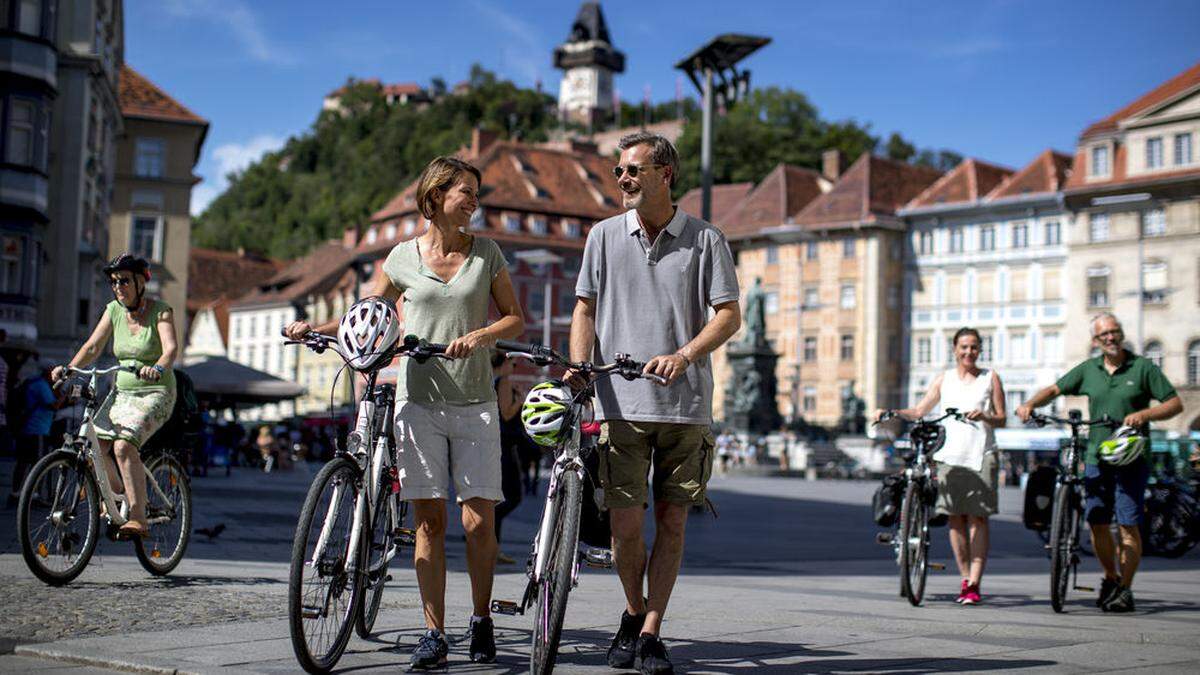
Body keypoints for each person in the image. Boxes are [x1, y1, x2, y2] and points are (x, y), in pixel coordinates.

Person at [285, 156, 523, 668]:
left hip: (475, 401)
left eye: (477, 193)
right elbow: (365, 318)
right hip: (418, 405)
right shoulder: (400, 258)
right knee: (429, 522)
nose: (476, 201)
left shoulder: (487, 254)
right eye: (467, 192)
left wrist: (481, 335)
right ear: (436, 197)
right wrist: (315, 328)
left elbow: (515, 318)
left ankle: (481, 619)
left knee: (479, 521)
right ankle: (434, 633)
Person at [568, 132, 741, 675]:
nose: (623, 179)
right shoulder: (602, 236)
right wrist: (578, 366)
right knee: (624, 528)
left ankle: (649, 633)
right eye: (619, 170)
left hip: (685, 407)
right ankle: (633, 609)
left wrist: (685, 355)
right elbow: (585, 310)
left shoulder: (706, 239)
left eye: (634, 170)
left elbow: (729, 315)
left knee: (672, 522)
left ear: (665, 174)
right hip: (618, 404)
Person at [1017, 312, 1182, 612]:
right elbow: (1055, 389)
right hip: (1096, 458)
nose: (1110, 337)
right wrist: (1030, 404)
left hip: (1131, 458)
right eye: (1103, 334)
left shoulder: (1142, 368)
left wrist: (1144, 415)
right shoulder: (1089, 369)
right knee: (1097, 522)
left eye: (1114, 331)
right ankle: (1110, 577)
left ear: (1121, 334)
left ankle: (1125, 589)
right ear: (1095, 340)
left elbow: (1174, 403)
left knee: (1128, 525)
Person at [874, 327, 1007, 604]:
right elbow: (920, 411)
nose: (969, 352)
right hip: (949, 455)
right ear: (955, 350)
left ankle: (974, 582)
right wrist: (892, 412)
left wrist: (985, 415)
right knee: (956, 520)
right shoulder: (944, 379)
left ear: (980, 350)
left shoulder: (990, 378)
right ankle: (964, 578)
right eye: (964, 347)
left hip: (981, 453)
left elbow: (1002, 418)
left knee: (978, 519)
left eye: (974, 347)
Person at [53, 254, 177, 539]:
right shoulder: (113, 311)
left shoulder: (161, 310)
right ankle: (120, 496)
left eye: (123, 280)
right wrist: (70, 369)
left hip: (155, 391)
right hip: (122, 393)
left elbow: (170, 348)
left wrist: (158, 367)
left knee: (123, 447)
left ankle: (138, 517)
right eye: (113, 281)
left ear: (140, 281)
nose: (117, 286)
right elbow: (94, 346)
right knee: (96, 446)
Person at [9, 362, 63, 506]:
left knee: (23, 462)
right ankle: (34, 496)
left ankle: (15, 494)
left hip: (29, 428)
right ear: (48, 372)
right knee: (38, 464)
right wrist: (66, 395)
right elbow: (53, 405)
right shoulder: (41, 385)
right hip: (38, 429)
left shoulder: (34, 382)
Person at [491, 352, 523, 565]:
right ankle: (487, 535)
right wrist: (520, 400)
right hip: (504, 444)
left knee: (502, 497)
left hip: (497, 442)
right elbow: (507, 413)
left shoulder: (491, 379)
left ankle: (492, 547)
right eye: (513, 363)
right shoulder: (503, 381)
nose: (514, 367)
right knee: (512, 496)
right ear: (504, 363)